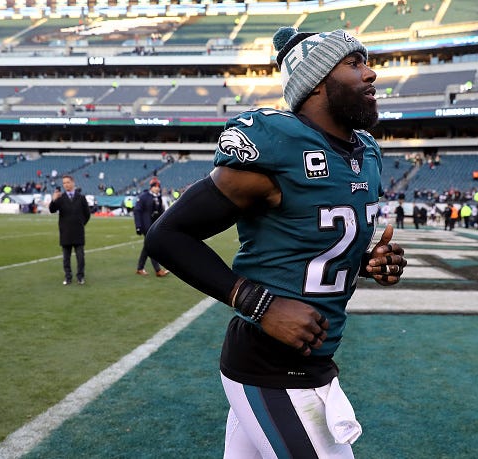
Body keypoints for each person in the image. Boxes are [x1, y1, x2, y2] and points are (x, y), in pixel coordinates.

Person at [146, 26, 407, 458]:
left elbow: (312, 244)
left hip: (310, 359)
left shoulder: (366, 154)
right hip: (271, 364)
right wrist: (258, 303)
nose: (371, 74)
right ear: (319, 83)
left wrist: (365, 262)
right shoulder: (279, 145)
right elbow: (167, 235)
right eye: (354, 63)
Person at [49, 175, 91, 285]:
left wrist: (81, 224)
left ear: (73, 183)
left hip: (78, 232)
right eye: (64, 183)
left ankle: (80, 277)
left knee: (80, 257)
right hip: (65, 232)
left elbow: (87, 214)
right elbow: (52, 210)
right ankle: (68, 277)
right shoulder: (61, 198)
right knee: (66, 258)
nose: (66, 185)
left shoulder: (81, 198)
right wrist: (53, 200)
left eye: (68, 182)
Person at [133, 177, 169, 277]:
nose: (157, 188)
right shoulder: (144, 196)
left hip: (154, 226)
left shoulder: (158, 197)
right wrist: (138, 226)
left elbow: (161, 212)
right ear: (151, 187)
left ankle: (140, 268)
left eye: (158, 187)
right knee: (151, 246)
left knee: (147, 247)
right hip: (146, 225)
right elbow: (137, 211)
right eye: (155, 186)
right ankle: (157, 270)